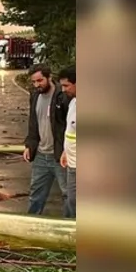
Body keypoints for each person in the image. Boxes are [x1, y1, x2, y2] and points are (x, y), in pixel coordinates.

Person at [23, 64, 70, 217]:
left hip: (60, 156)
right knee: (36, 194)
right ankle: (31, 225)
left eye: (40, 81)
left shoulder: (63, 96)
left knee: (68, 194)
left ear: (49, 77)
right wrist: (29, 145)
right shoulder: (35, 95)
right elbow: (33, 123)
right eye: (34, 82)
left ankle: (70, 227)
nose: (37, 85)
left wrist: (67, 150)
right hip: (41, 155)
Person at [58, 67, 76, 219]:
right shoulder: (73, 103)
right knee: (72, 201)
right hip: (71, 163)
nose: (63, 90)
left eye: (66, 86)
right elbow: (70, 131)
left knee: (74, 202)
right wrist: (65, 151)